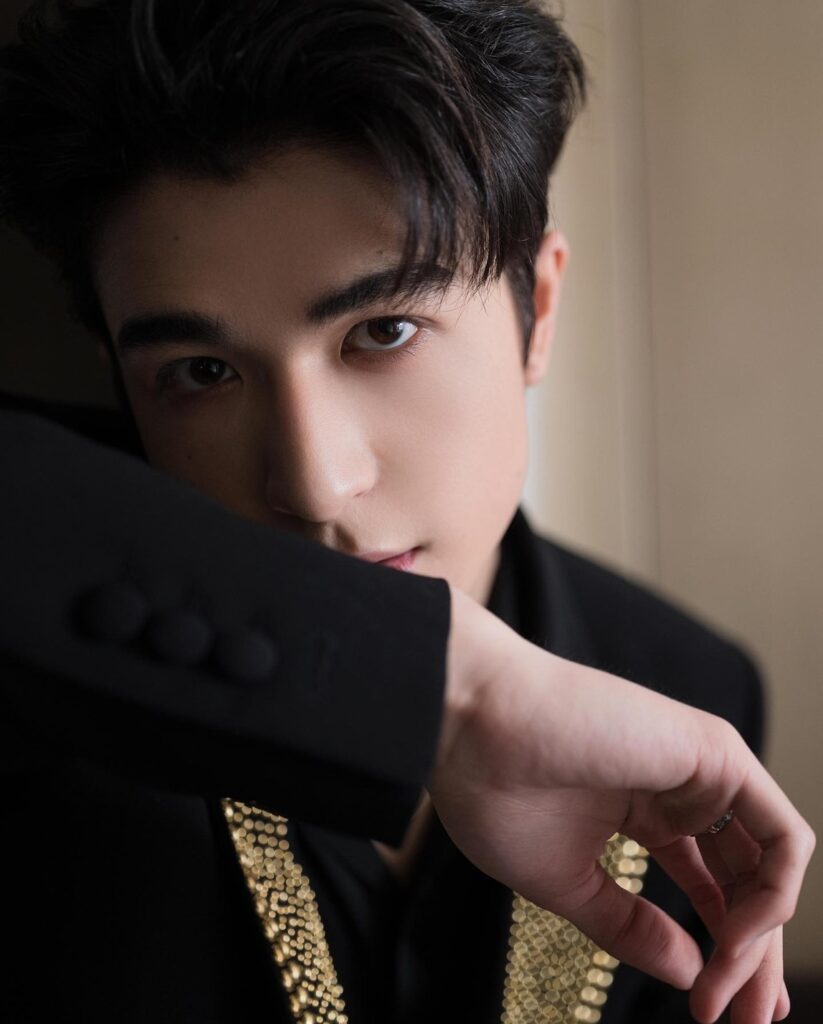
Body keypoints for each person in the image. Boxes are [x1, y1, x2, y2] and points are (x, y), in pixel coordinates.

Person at [0, 2, 813, 1023]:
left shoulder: (684, 687)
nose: (313, 483)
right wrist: (451, 691)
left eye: (383, 331)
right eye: (201, 372)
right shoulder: (46, 713)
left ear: (537, 310)